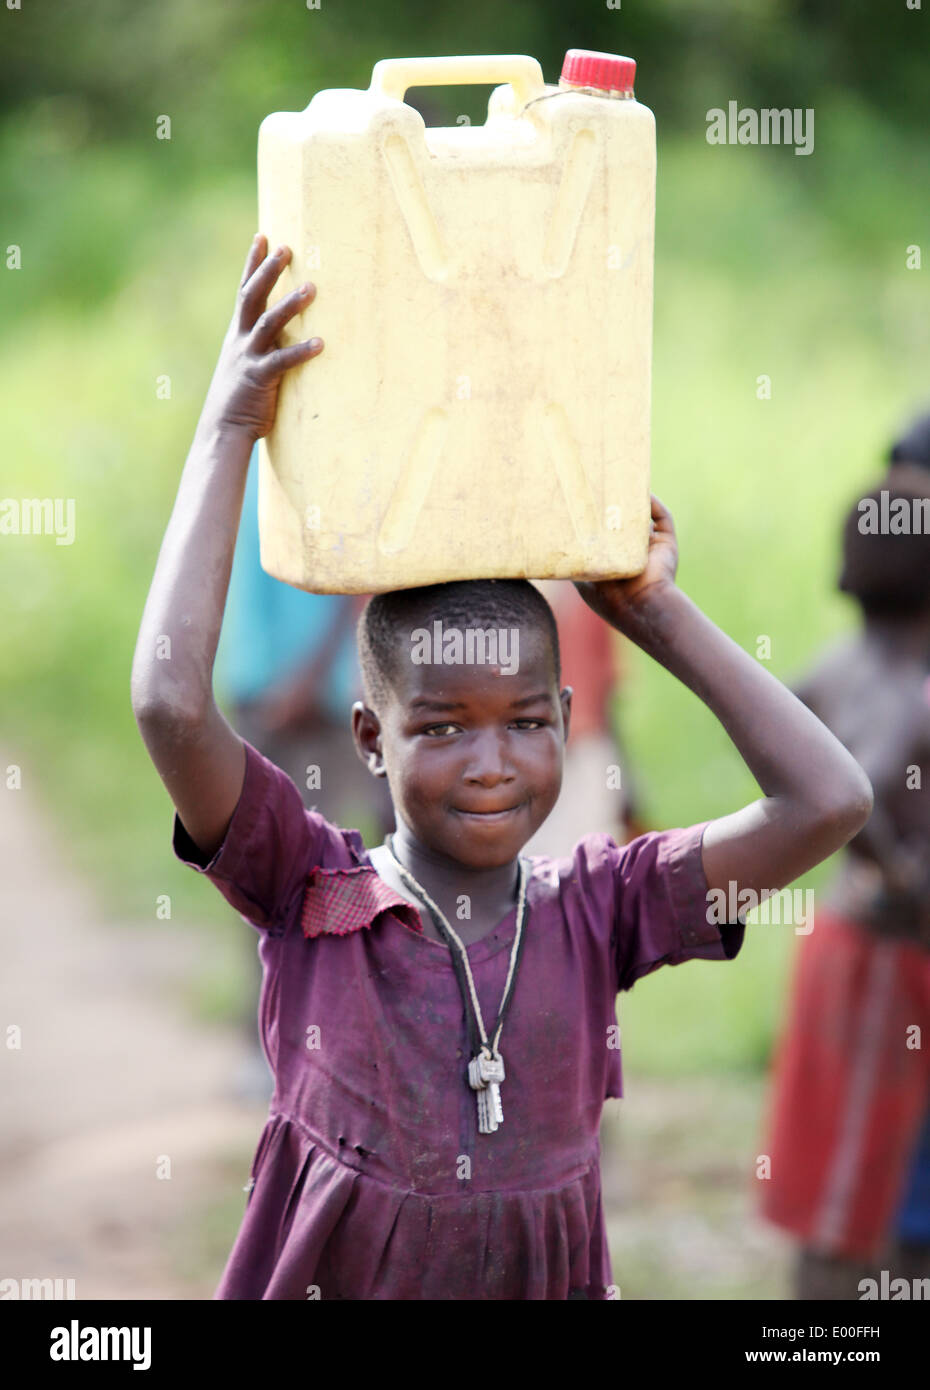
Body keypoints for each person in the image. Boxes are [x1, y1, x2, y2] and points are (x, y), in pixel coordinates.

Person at [130, 234, 872, 1299]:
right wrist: (228, 428)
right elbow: (167, 699)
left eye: (525, 721)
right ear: (370, 737)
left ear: (566, 719)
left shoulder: (602, 907)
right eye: (441, 728)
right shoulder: (308, 888)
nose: (491, 763)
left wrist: (652, 609)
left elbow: (830, 799)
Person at [758, 469, 930, 1300]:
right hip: (892, 963)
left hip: (852, 948)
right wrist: (901, 870)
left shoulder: (828, 671)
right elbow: (862, 796)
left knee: (863, 1184)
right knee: (858, 1191)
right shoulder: (913, 689)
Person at [217, 451, 393, 1096]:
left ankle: (333, 1047)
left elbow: (357, 578)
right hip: (258, 695)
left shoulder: (336, 444)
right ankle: (264, 1042)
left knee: (335, 879)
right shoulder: (253, 448)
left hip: (317, 706)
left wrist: (307, 677)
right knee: (254, 876)